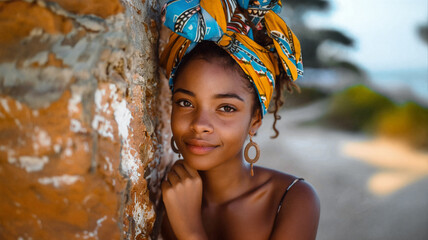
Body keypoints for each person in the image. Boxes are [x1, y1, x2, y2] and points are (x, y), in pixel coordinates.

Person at [159, 0, 320, 239]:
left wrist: (190, 230)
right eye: (185, 103)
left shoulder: (293, 200)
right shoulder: (164, 194)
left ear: (255, 120)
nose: (200, 124)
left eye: (226, 107)